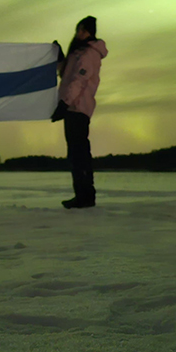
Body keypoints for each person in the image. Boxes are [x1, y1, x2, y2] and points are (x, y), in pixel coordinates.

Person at [51, 16, 108, 209]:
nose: (79, 33)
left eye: (82, 30)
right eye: (78, 30)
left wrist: (65, 103)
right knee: (75, 153)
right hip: (72, 107)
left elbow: (79, 81)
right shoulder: (78, 52)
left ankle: (85, 196)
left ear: (90, 32)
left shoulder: (89, 53)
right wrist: (60, 58)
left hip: (79, 107)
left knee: (79, 153)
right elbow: (66, 74)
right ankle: (82, 195)